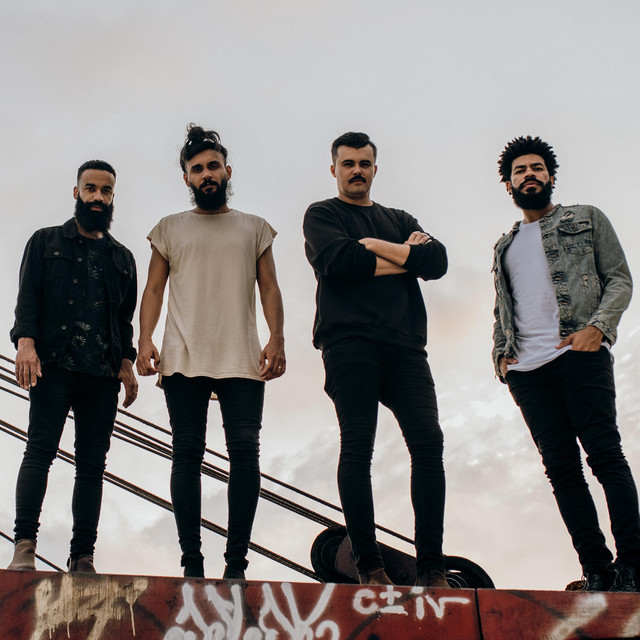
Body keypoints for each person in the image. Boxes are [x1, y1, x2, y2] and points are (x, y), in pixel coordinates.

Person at [137, 125, 285, 579]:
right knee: (187, 452)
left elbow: (269, 287)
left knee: (245, 453)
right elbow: (154, 289)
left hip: (242, 357)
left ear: (227, 171)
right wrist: (145, 339)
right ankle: (192, 563)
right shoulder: (168, 228)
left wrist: (277, 337)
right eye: (197, 169)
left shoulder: (255, 227)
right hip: (183, 356)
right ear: (186, 177)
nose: (206, 174)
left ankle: (236, 564)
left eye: (213, 166)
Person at [493, 135, 640, 592]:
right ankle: (597, 569)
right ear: (508, 184)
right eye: (520, 171)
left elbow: (619, 279)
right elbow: (503, 308)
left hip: (579, 354)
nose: (529, 175)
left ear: (551, 177)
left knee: (605, 456)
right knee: (560, 469)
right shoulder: (503, 246)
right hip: (527, 372)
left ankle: (633, 567)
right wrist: (501, 355)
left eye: (537, 168)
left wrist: (598, 328)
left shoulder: (586, 218)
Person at [303, 132, 449, 587]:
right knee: (358, 446)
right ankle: (369, 566)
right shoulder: (322, 214)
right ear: (334, 169)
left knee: (428, 443)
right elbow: (339, 261)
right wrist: (408, 257)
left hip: (405, 347)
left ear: (375, 169)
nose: (356, 171)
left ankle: (432, 568)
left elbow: (437, 262)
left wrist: (370, 245)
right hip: (349, 345)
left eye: (364, 163)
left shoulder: (398, 217)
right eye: (348, 164)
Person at [7, 160, 138, 573]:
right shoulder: (45, 241)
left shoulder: (123, 258)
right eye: (91, 188)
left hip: (101, 376)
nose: (98, 197)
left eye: (106, 191)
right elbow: (27, 299)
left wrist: (127, 363)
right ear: (76, 192)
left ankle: (82, 556)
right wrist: (26, 345)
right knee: (39, 451)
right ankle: (24, 546)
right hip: (53, 366)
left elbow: (124, 320)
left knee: (92, 466)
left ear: (112, 197)